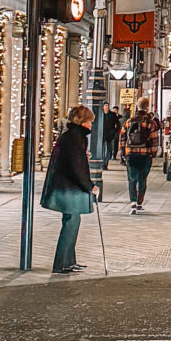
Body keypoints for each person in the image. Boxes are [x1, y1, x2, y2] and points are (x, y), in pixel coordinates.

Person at [42, 105, 97, 274]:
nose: (91, 126)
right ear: (83, 122)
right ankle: (61, 263)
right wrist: (89, 185)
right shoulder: (75, 138)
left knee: (72, 221)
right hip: (68, 187)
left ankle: (69, 260)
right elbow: (76, 166)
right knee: (71, 222)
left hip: (67, 185)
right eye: (89, 122)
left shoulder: (72, 136)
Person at [123, 104, 158, 213]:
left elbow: (123, 137)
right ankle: (139, 202)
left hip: (131, 154)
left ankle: (132, 201)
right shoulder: (150, 123)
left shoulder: (129, 121)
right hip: (145, 154)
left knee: (132, 178)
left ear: (137, 107)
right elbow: (154, 139)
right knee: (142, 179)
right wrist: (153, 152)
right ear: (147, 108)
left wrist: (123, 152)